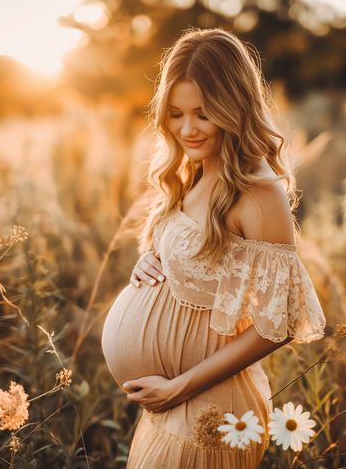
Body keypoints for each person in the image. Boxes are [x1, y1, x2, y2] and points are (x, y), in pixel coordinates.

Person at [101, 27, 326, 468]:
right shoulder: (198, 170)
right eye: (175, 113)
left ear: (233, 107)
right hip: (173, 409)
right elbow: (199, 264)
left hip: (210, 413)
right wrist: (152, 261)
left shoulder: (259, 193)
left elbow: (277, 323)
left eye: (203, 114)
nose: (187, 129)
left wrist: (179, 386)